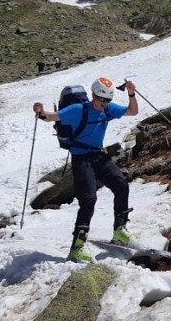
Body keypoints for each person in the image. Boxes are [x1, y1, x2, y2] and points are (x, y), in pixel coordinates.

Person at [33, 77, 138, 262]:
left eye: (107, 100)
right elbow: (50, 117)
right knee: (88, 199)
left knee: (121, 185)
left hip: (98, 156)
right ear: (93, 95)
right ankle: (77, 248)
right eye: (101, 99)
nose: (103, 103)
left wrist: (131, 93)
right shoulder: (77, 110)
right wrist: (40, 111)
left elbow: (133, 111)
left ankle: (120, 230)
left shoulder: (108, 109)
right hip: (81, 159)